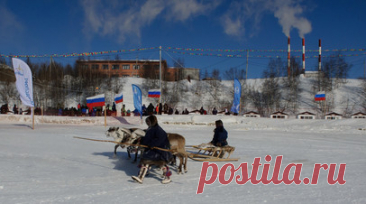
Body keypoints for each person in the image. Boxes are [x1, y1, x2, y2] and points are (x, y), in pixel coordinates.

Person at [132, 115, 172, 184]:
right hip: (152, 150)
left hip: (160, 151)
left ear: (153, 121)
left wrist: (151, 144)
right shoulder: (150, 129)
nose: (147, 123)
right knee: (145, 162)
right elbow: (148, 139)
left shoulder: (158, 130)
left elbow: (160, 140)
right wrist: (142, 140)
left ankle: (167, 177)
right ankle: (140, 178)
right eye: (146, 121)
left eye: (148, 121)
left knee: (161, 164)